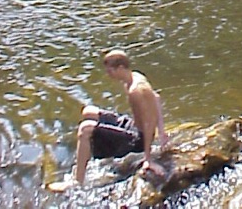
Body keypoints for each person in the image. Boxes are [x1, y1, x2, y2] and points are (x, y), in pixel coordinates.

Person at [49, 49, 168, 191]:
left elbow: (149, 122)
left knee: (85, 128)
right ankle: (86, 154)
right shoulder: (135, 77)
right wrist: (162, 132)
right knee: (88, 111)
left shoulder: (135, 91)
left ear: (121, 68)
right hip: (133, 125)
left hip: (138, 140)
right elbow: (156, 98)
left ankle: (77, 182)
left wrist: (148, 159)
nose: (108, 74)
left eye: (110, 71)